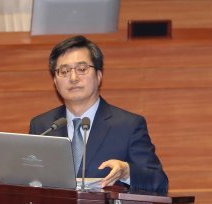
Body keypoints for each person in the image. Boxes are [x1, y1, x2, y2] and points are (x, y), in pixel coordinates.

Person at [29, 35, 168, 193]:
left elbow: (160, 184)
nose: (73, 78)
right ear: (55, 81)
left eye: (82, 69)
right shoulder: (42, 126)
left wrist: (127, 172)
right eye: (64, 71)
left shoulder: (128, 126)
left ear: (99, 76)